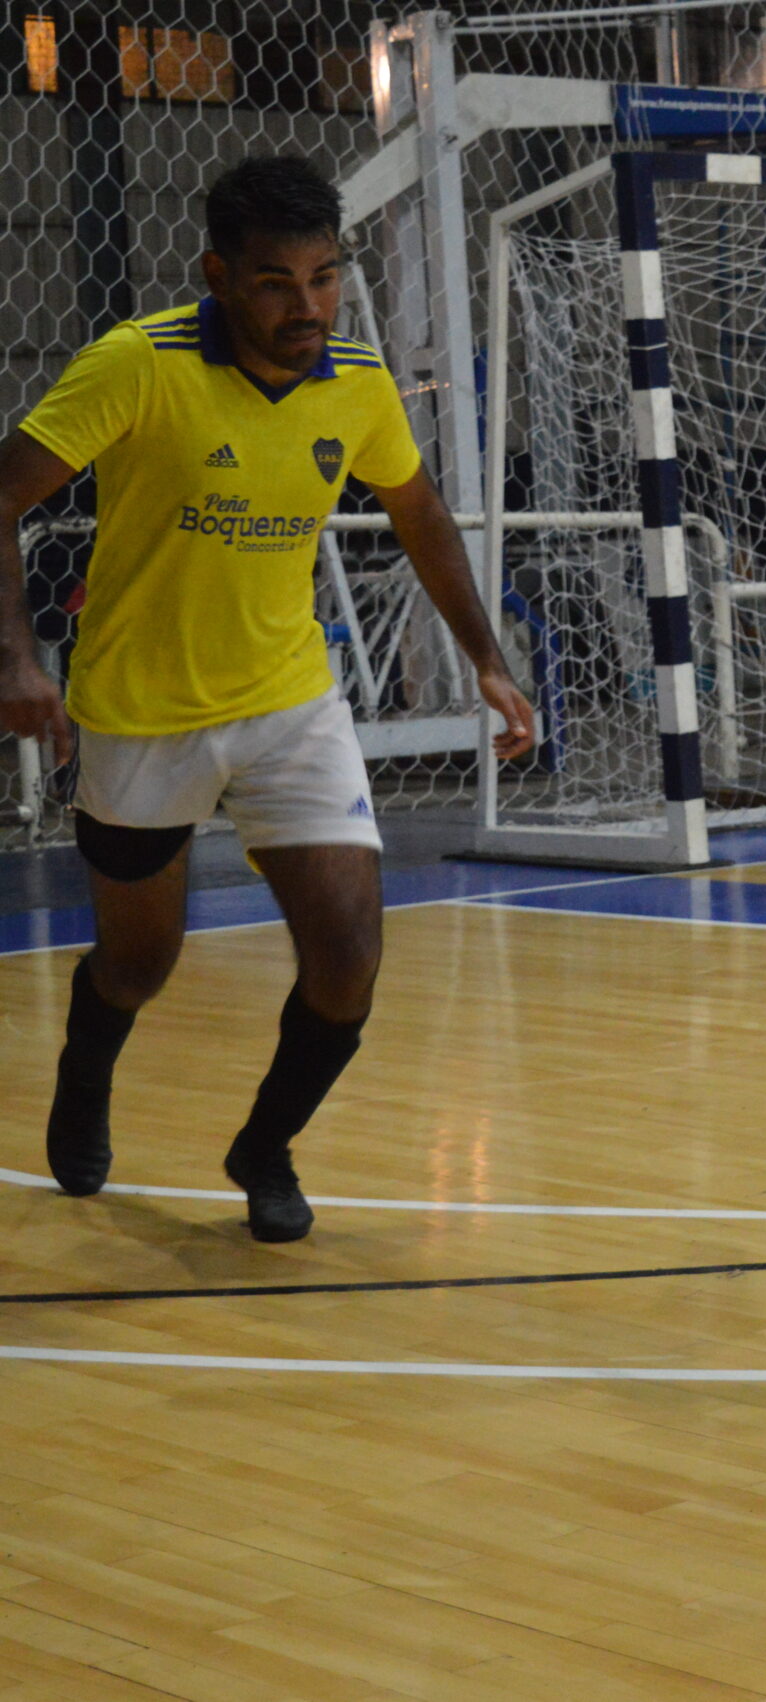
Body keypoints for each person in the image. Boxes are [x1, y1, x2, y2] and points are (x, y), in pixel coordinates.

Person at [0, 156, 536, 1241]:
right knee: (140, 962)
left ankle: (266, 1147)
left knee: (347, 957)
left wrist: (484, 653)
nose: (309, 307)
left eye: (326, 278)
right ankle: (87, 1059)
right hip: (141, 711)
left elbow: (420, 515)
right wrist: (15, 658)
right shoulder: (135, 366)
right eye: (277, 282)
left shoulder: (355, 381)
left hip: (291, 701)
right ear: (217, 274)